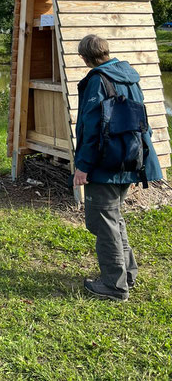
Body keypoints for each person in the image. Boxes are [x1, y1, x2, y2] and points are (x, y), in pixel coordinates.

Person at [73, 34, 162, 301]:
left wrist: (83, 166)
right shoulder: (130, 76)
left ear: (85, 58)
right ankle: (128, 274)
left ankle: (114, 285)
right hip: (131, 159)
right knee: (113, 218)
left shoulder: (98, 80)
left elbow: (92, 129)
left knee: (103, 222)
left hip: (105, 164)